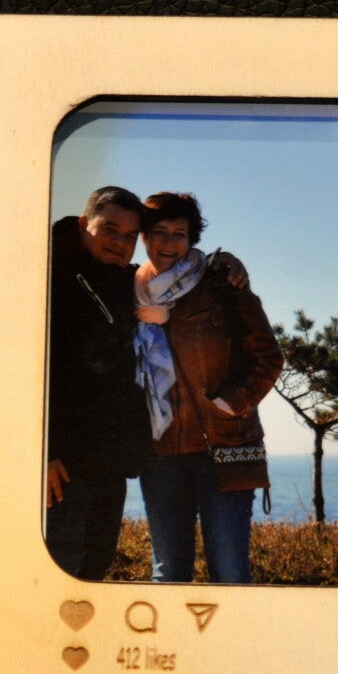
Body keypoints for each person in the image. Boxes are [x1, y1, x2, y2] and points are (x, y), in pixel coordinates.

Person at [132, 191, 281, 584]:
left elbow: (269, 357)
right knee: (168, 574)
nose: (169, 243)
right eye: (159, 232)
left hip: (225, 449)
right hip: (160, 455)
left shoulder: (220, 282)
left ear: (191, 238)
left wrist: (230, 404)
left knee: (230, 575)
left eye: (179, 234)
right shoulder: (128, 291)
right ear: (143, 236)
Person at [44, 186, 153, 580]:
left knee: (94, 571)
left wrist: (223, 263)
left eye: (129, 236)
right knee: (60, 572)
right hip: (62, 467)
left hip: (110, 463)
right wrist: (45, 452)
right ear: (82, 224)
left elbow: (175, 275)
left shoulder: (125, 282)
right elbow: (27, 372)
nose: (120, 243)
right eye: (109, 229)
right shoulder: (46, 276)